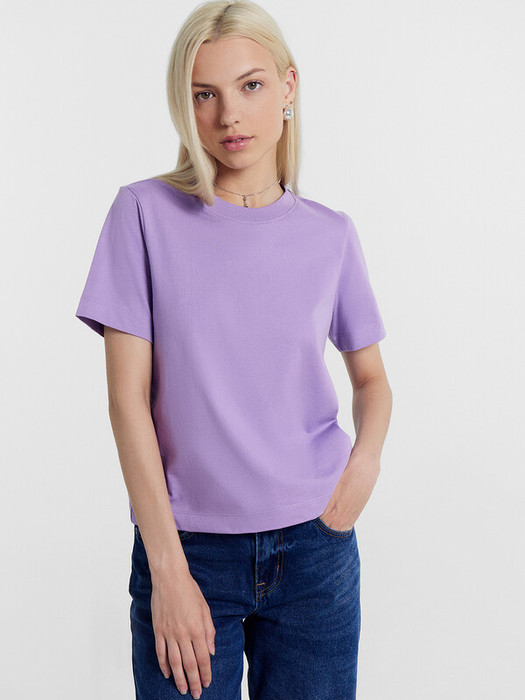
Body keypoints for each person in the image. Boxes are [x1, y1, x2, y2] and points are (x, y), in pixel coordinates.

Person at [74, 1, 393, 698]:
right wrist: (167, 567)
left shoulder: (330, 234)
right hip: (187, 550)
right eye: (204, 94)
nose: (228, 116)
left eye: (250, 85)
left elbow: (371, 379)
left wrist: (362, 467)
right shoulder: (143, 214)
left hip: (315, 550)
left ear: (288, 86)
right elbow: (127, 401)